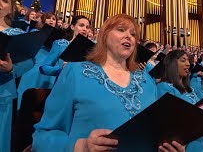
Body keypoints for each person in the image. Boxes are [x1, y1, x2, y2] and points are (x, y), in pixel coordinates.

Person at [32, 14, 185, 152]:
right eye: (121, 29)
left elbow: (154, 135)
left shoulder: (147, 82)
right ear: (104, 35)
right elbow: (43, 136)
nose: (128, 36)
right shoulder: (75, 72)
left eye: (133, 34)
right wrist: (81, 146)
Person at [0, 0, 34, 152]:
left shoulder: (16, 34)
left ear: (11, 9)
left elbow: (30, 60)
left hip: (2, 94)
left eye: (4, 0)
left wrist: (11, 68)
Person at [157, 50, 203, 152]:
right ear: (172, 64)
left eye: (188, 61)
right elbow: (168, 122)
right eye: (183, 60)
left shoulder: (190, 89)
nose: (188, 64)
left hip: (199, 146)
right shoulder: (164, 87)